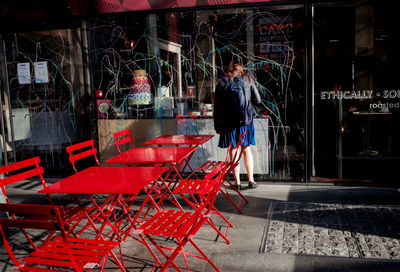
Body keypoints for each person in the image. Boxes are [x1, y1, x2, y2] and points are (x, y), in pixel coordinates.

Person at [213, 61, 261, 190]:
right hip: (246, 121)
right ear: (241, 69)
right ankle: (251, 180)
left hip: (229, 123)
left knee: (233, 150)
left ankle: (237, 182)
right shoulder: (247, 78)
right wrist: (251, 113)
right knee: (246, 149)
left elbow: (217, 107)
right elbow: (258, 100)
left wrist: (217, 125)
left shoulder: (222, 82)